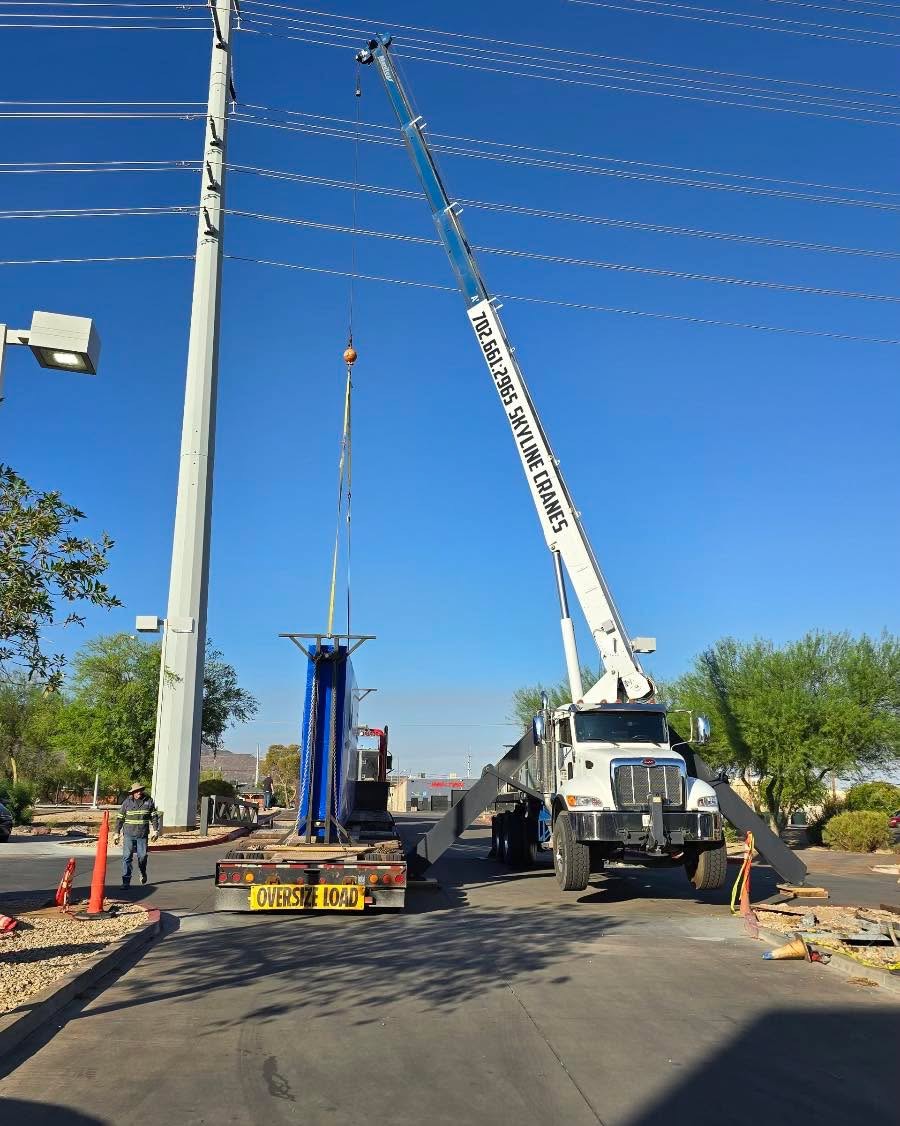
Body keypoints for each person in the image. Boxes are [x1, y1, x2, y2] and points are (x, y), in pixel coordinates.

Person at [114, 782, 160, 888]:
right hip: (129, 835)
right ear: (133, 792)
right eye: (136, 791)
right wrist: (116, 833)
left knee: (142, 857)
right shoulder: (127, 803)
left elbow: (153, 816)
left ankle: (142, 872)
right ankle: (126, 882)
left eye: (140, 790)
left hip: (142, 835)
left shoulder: (149, 801)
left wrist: (155, 830)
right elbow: (120, 818)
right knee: (127, 857)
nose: (139, 792)